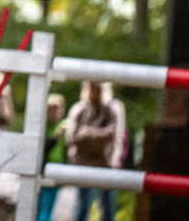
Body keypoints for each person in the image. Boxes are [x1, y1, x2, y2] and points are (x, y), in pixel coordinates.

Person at [65, 81, 126, 221]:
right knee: (82, 206)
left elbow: (112, 135)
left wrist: (87, 135)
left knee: (107, 208)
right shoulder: (79, 110)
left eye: (97, 88)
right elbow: (74, 137)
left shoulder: (112, 110)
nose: (94, 91)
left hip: (105, 165)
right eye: (91, 87)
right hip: (83, 164)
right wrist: (98, 136)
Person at [38, 94, 68, 221]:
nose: (55, 112)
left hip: (59, 169)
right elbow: (43, 149)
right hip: (45, 168)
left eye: (58, 108)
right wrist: (56, 137)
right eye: (52, 108)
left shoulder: (65, 126)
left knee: (51, 205)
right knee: (43, 205)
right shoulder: (43, 126)